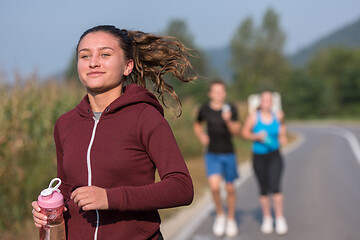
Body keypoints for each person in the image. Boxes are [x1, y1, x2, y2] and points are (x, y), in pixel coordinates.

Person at [31, 25, 196, 240]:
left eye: (105, 54)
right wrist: (49, 208)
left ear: (128, 66)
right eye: (85, 56)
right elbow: (67, 188)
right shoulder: (65, 124)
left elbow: (181, 187)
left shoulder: (145, 117)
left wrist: (110, 198)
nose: (93, 62)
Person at [193, 79, 241, 237]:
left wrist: (228, 120)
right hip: (212, 154)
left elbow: (236, 131)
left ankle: (231, 218)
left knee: (230, 188)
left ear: (224, 93)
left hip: (228, 153)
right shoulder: (204, 109)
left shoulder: (231, 108)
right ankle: (220, 214)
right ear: (210, 93)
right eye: (215, 91)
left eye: (221, 91)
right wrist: (201, 136)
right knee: (214, 187)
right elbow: (197, 124)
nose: (218, 94)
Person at [241, 91, 288, 235]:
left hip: (275, 156)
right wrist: (256, 136)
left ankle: (279, 218)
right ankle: (267, 218)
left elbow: (282, 128)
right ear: (261, 102)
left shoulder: (278, 116)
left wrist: (283, 137)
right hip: (259, 157)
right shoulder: (254, 117)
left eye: (269, 100)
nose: (267, 102)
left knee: (276, 187)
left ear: (272, 102)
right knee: (263, 189)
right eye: (264, 100)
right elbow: (244, 133)